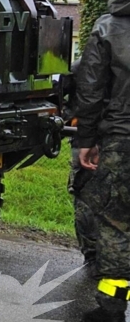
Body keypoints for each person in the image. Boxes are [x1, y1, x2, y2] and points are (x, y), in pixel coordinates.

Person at [74, 0, 130, 322]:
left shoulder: (109, 28)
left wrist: (87, 139)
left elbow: (90, 89)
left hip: (122, 140)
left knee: (116, 222)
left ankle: (112, 311)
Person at [66, 60, 99, 275]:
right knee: (87, 199)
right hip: (88, 142)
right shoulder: (84, 67)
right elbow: (62, 98)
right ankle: (95, 259)